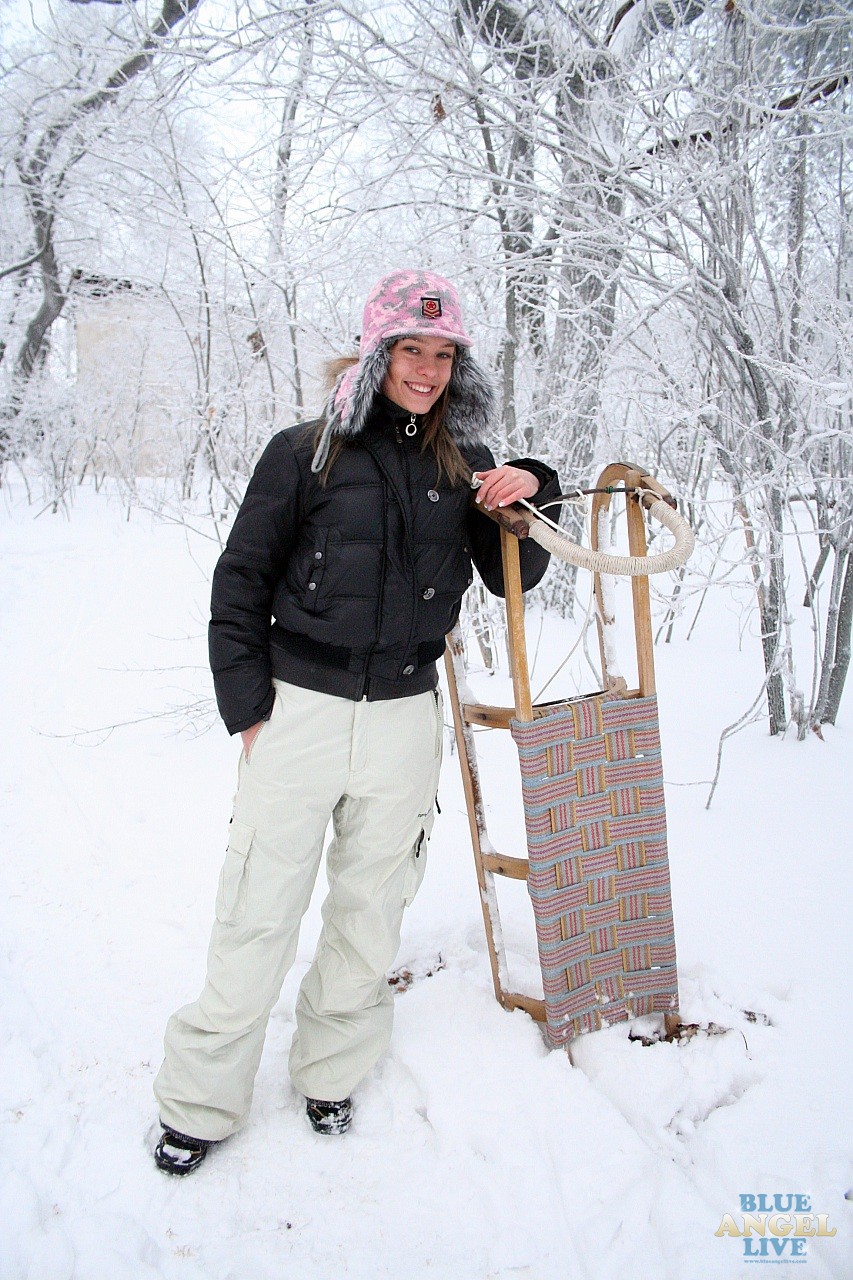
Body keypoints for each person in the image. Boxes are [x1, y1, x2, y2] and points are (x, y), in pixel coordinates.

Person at [152, 269, 560, 1174]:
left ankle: (330, 1070)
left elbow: (512, 581)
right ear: (376, 352)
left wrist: (536, 486)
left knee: (372, 906)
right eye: (410, 350)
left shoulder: (465, 464)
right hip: (299, 711)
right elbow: (240, 582)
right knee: (260, 906)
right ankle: (201, 1099)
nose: (426, 369)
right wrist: (249, 711)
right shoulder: (306, 451)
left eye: (443, 353)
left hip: (405, 716)